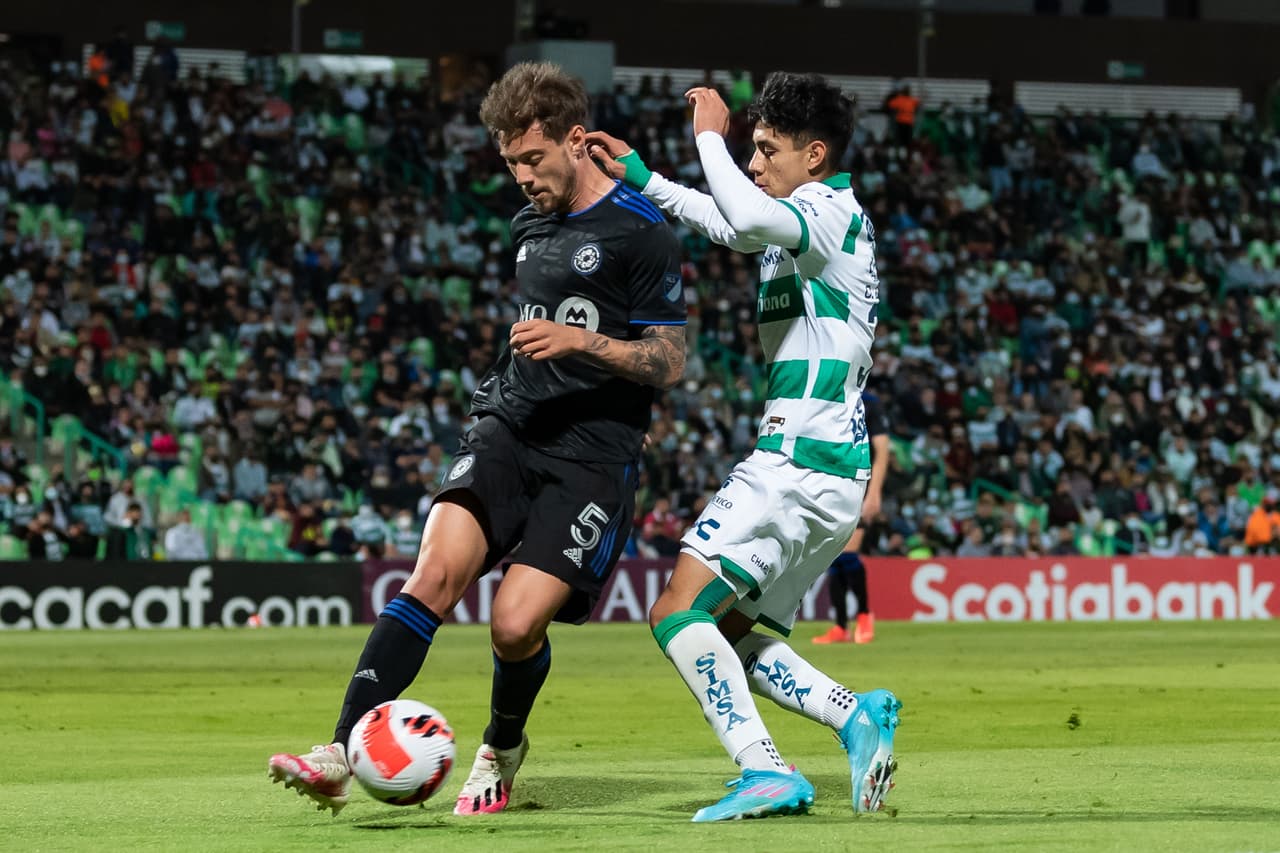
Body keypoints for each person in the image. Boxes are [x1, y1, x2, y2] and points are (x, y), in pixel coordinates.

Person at [267, 61, 686, 817]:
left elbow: (668, 360)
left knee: (515, 624)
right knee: (431, 573)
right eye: (511, 163)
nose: (523, 177)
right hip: (507, 426)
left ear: (576, 140)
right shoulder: (529, 224)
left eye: (533, 158)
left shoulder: (643, 231)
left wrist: (581, 342)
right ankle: (335, 750)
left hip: (591, 456)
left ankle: (503, 743)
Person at [587, 72, 900, 822]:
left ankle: (765, 769)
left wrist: (708, 135)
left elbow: (746, 213)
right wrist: (643, 178)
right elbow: (729, 222)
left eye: (766, 149)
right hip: (826, 470)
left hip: (797, 460)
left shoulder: (823, 208)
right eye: (749, 149)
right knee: (723, 632)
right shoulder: (803, 220)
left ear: (815, 155)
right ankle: (855, 714)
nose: (752, 162)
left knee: (674, 610)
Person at [814, 389, 891, 644]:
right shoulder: (828, 397)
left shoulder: (869, 402)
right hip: (831, 486)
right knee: (833, 559)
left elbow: (882, 449)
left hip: (859, 485)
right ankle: (840, 627)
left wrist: (874, 492)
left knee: (848, 555)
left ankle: (864, 615)